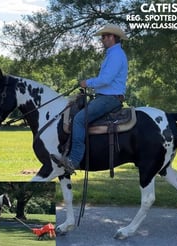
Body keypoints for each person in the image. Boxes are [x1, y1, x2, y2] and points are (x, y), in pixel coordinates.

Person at [53, 24, 128, 174]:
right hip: (105, 96)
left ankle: (73, 161)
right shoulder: (113, 54)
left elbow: (106, 79)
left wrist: (87, 83)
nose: (102, 39)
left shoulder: (116, 55)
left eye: (105, 36)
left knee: (80, 119)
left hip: (109, 98)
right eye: (102, 36)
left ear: (113, 37)